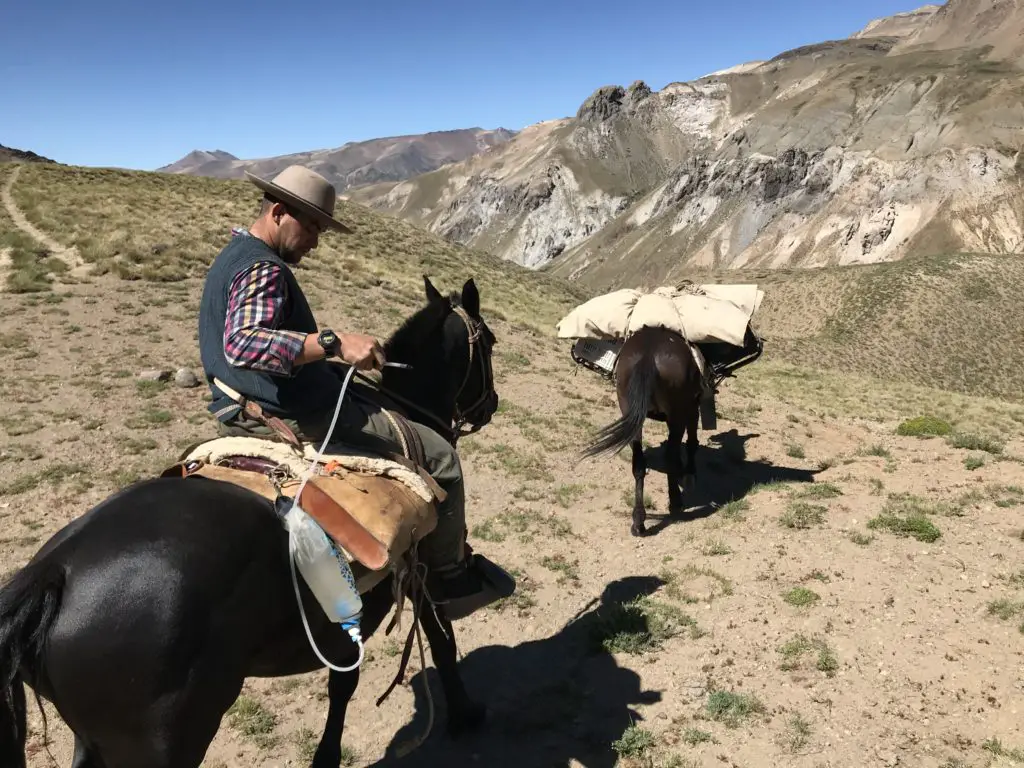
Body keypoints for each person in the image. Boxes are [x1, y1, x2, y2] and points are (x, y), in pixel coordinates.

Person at [197, 164, 511, 620]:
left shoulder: (234, 254)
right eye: (312, 227)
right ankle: (450, 576)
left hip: (246, 399)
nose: (316, 241)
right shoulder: (262, 267)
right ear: (280, 212)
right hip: (285, 408)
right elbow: (243, 342)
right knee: (442, 456)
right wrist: (332, 343)